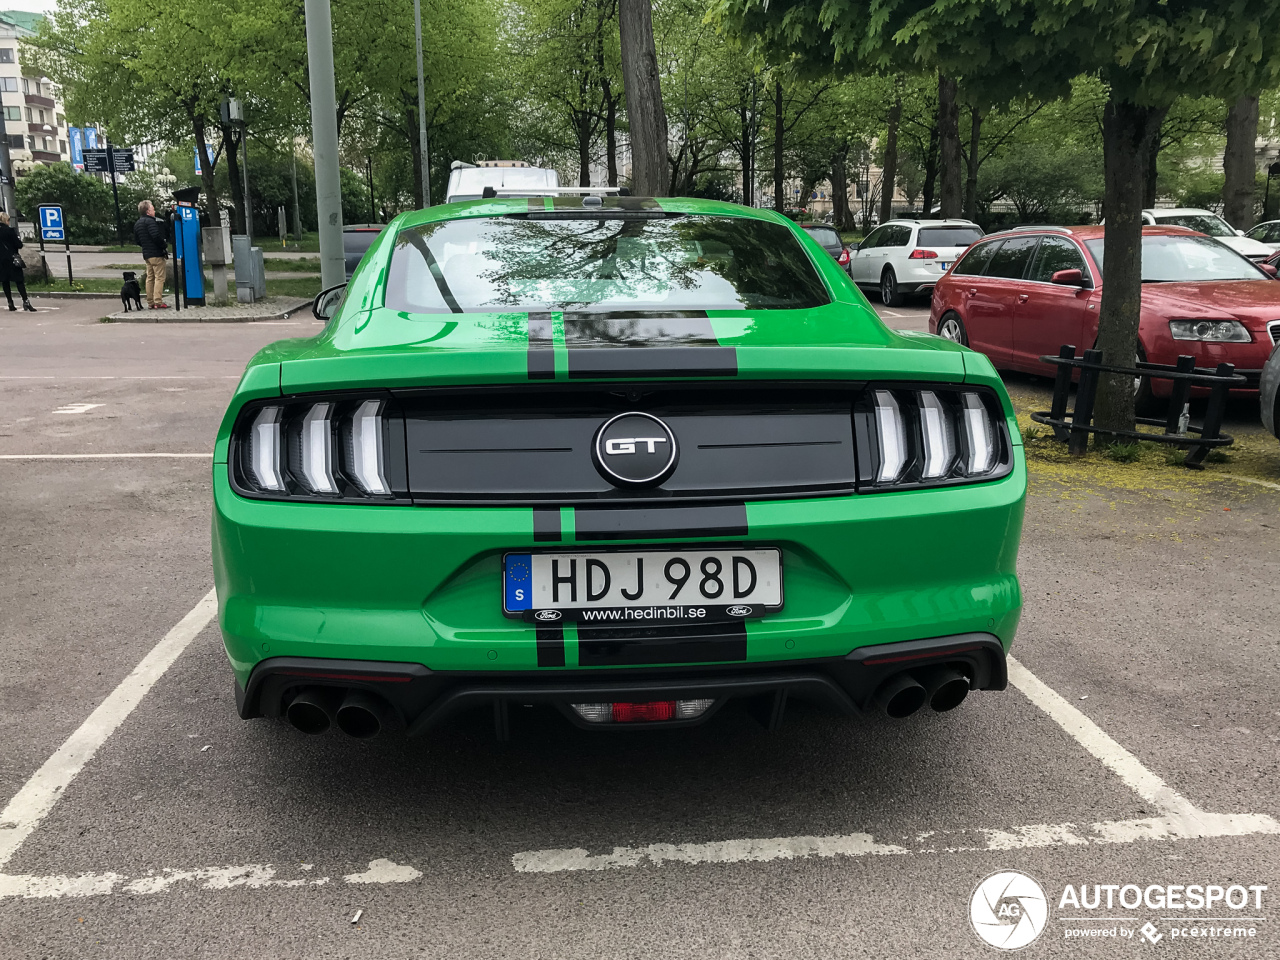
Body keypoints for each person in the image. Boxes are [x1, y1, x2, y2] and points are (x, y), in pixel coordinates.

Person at [133, 199, 169, 309]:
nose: (154, 211)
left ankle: (150, 302)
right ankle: (158, 301)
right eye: (153, 208)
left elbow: (137, 240)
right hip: (156, 253)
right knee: (159, 278)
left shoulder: (138, 223)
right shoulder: (151, 222)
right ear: (148, 211)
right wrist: (164, 245)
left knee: (150, 278)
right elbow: (156, 236)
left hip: (147, 254)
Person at [0, 211, 35, 312]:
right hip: (12, 259)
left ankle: (10, 302)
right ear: (6, 220)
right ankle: (25, 301)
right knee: (19, 280)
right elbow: (19, 245)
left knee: (5, 281)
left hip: (1, 261)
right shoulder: (10, 231)